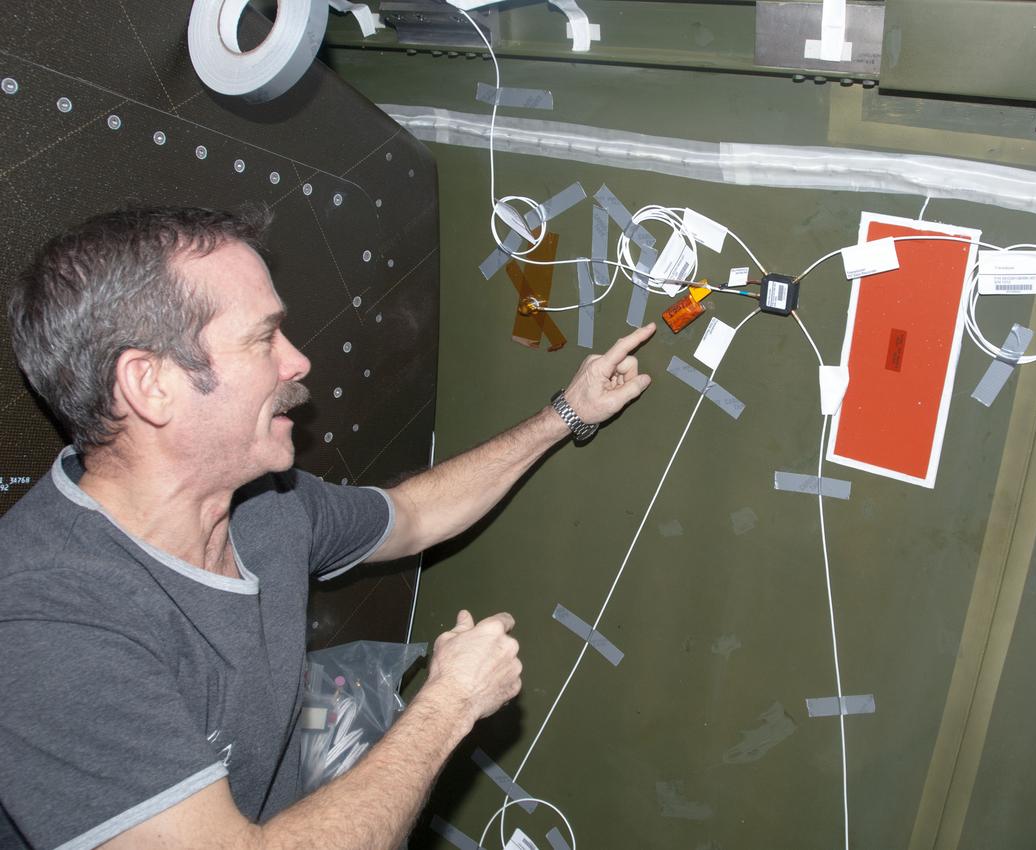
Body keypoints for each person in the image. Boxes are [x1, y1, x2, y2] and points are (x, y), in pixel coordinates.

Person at [0, 206, 656, 850]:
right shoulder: (43, 626)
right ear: (150, 385)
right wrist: (449, 702)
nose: (298, 362)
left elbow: (417, 514)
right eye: (264, 338)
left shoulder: (264, 505)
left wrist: (567, 413)